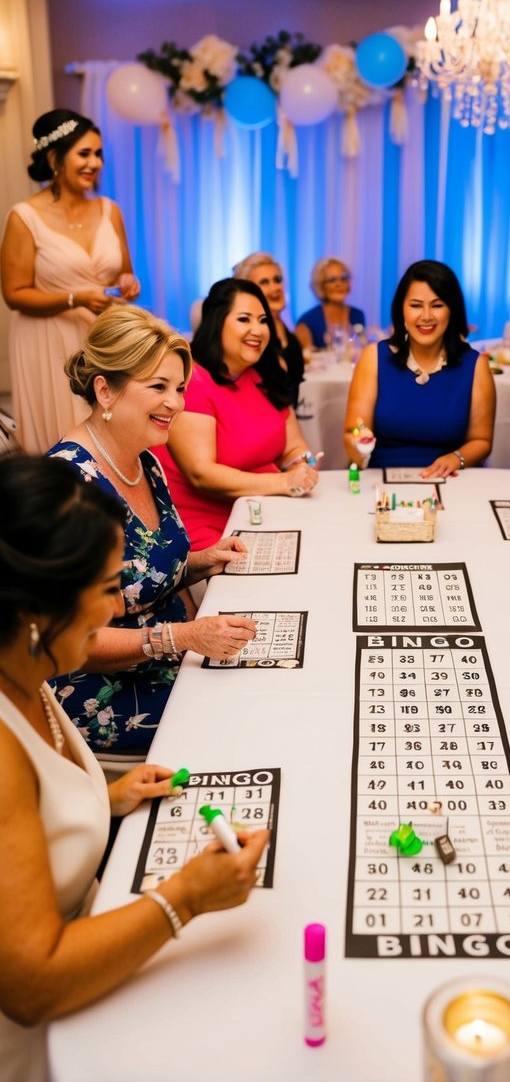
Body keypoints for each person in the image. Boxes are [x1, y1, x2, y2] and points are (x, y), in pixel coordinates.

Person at [0, 454, 269, 1081]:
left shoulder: (28, 672)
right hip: (44, 1043)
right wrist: (184, 898)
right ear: (38, 609)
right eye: (103, 589)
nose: (119, 605)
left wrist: (106, 797)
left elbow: (33, 813)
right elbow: (31, 985)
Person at [49, 306, 258, 759]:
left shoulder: (145, 459)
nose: (176, 403)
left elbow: (140, 579)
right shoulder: (68, 487)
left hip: (170, 657)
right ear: (105, 390)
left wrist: (202, 560)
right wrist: (181, 639)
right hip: (105, 694)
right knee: (246, 715)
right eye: (158, 387)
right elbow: (69, 640)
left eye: (180, 388)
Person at [0, 108, 139, 453]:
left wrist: (128, 283)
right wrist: (75, 299)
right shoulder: (24, 217)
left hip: (101, 339)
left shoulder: (110, 210)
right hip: (46, 340)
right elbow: (14, 293)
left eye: (99, 154)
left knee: (109, 433)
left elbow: (125, 273)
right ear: (54, 158)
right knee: (62, 435)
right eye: (85, 153)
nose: (95, 163)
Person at [157, 278, 318, 548]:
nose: (258, 330)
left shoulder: (265, 376)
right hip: (204, 520)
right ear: (217, 322)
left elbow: (294, 446)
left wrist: (301, 463)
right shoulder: (193, 379)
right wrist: (283, 481)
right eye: (244, 319)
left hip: (260, 507)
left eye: (263, 320)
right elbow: (201, 474)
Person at [344, 259, 495, 477]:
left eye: (437, 305)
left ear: (451, 310)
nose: (426, 316)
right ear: (401, 310)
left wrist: (456, 458)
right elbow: (352, 433)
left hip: (450, 481)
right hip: (381, 480)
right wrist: (358, 446)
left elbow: (481, 441)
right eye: (415, 305)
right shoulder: (374, 357)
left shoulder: (475, 365)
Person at [232, 251, 304, 406]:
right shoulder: (250, 335)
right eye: (264, 282)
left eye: (277, 280)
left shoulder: (286, 330)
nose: (275, 287)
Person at [295, 255, 366, 352]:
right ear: (320, 285)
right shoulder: (307, 321)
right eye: (332, 280)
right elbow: (304, 359)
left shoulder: (358, 315)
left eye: (344, 278)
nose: (339, 284)